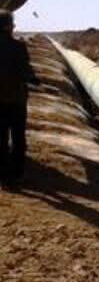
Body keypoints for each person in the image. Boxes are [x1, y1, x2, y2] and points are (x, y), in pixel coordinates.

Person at [0, 9, 39, 187]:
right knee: (18, 137)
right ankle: (17, 173)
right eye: (12, 24)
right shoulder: (18, 47)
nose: (14, 26)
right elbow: (25, 70)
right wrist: (34, 79)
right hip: (16, 100)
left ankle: (3, 174)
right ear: (7, 27)